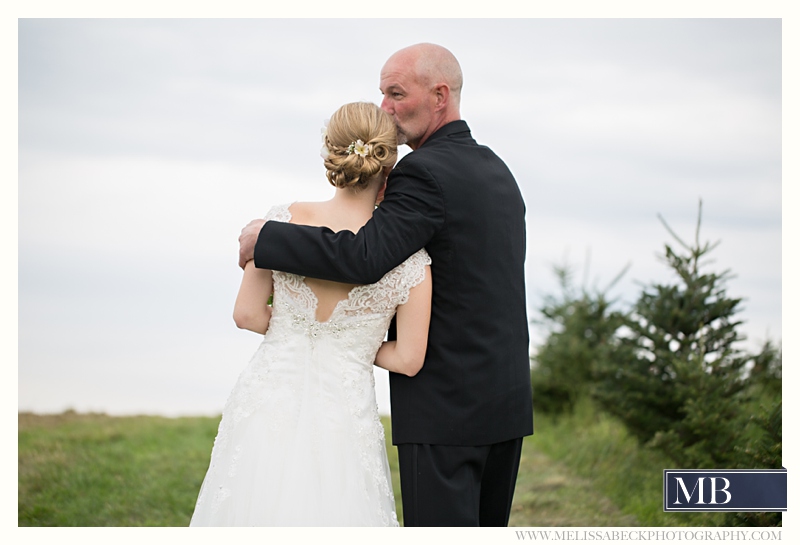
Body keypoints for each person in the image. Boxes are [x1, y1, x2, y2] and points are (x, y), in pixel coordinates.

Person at [238, 43, 533, 527]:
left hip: (445, 410)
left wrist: (266, 236)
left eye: (396, 94)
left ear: (440, 95)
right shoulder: (497, 170)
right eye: (382, 94)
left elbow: (364, 256)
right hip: (504, 404)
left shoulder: (423, 171)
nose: (385, 109)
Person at [190, 102, 432, 526]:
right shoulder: (411, 262)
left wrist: (290, 328)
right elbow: (409, 360)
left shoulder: (281, 222)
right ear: (388, 166)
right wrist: (354, 343)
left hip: (268, 395)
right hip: (343, 409)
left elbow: (246, 315)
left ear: (329, 155)